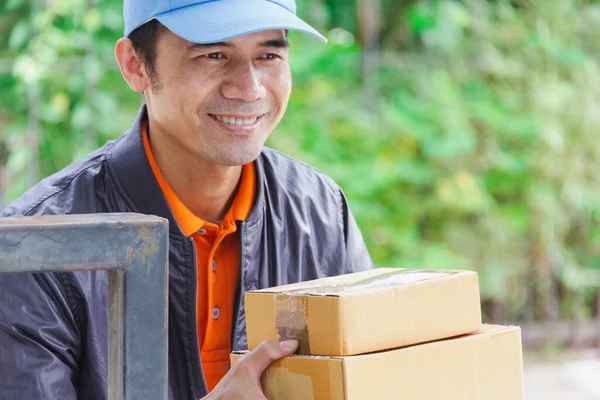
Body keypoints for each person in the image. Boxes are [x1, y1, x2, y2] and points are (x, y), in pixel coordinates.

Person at [0, 0, 373, 399]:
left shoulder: (319, 211)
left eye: (268, 55)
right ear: (135, 65)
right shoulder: (36, 251)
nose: (249, 88)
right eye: (213, 55)